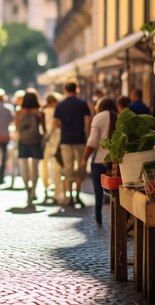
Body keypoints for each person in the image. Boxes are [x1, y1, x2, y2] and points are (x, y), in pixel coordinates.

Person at [54, 80, 92, 207]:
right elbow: (87, 122)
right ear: (77, 89)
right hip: (80, 140)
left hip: (66, 140)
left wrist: (65, 127)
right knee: (80, 168)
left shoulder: (60, 105)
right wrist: (85, 133)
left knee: (68, 168)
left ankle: (69, 197)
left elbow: (56, 123)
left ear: (65, 90)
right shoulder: (82, 104)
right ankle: (77, 195)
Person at [82, 97, 118, 225]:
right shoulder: (118, 116)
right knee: (117, 193)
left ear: (100, 106)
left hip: (99, 159)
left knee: (98, 191)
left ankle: (98, 216)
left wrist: (84, 158)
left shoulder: (98, 117)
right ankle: (117, 220)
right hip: (115, 160)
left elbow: (93, 141)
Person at [16, 88, 44, 207]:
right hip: (36, 141)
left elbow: (17, 127)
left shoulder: (19, 112)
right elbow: (43, 127)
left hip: (23, 141)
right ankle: (33, 191)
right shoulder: (38, 112)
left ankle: (27, 190)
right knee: (35, 167)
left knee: (24, 167)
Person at [41, 92, 64, 204]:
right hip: (57, 142)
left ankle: (46, 187)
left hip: (46, 142)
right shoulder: (58, 112)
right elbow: (57, 127)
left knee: (44, 166)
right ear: (54, 102)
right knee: (57, 168)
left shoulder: (43, 112)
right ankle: (58, 192)